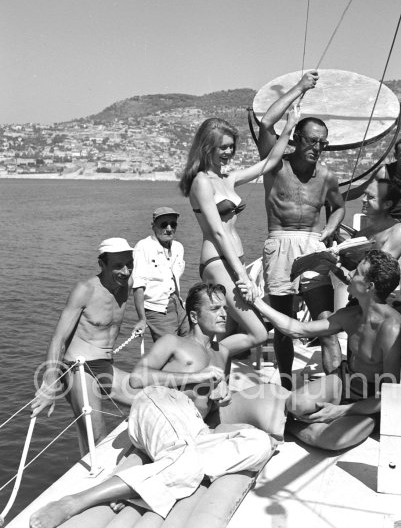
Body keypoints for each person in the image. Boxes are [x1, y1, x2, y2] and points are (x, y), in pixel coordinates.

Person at [29, 282, 274, 528]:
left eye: (225, 308)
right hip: (161, 403)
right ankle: (74, 502)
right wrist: (195, 377)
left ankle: (144, 484)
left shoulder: (222, 354)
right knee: (187, 467)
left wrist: (223, 394)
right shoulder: (173, 342)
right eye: (215, 308)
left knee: (260, 444)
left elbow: (258, 336)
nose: (224, 314)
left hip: (191, 427)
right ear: (194, 316)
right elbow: (138, 378)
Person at [240, 249, 401, 451]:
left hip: (370, 401)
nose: (350, 274)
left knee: (332, 440)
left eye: (358, 272)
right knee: (296, 404)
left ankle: (288, 426)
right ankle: (289, 423)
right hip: (345, 381)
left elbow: (390, 395)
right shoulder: (352, 315)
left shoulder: (391, 326)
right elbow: (299, 329)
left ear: (369, 286)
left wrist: (339, 411)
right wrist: (255, 301)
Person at [179, 108, 300, 357]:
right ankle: (199, 356)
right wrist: (242, 276)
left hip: (234, 261)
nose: (228, 153)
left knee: (226, 331)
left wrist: (289, 127)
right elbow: (218, 232)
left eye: (231, 147)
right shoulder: (201, 181)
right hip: (218, 260)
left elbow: (270, 162)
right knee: (258, 333)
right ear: (207, 147)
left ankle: (216, 379)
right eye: (222, 147)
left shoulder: (227, 178)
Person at [258, 70, 346, 388]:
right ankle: (284, 385)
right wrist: (300, 88)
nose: (317, 148)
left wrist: (328, 231)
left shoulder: (327, 177)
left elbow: (337, 208)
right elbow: (267, 123)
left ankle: (334, 382)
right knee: (284, 324)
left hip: (313, 244)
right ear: (296, 139)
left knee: (325, 320)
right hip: (280, 243)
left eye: (322, 143)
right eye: (311, 141)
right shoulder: (275, 166)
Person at [30, 238, 140, 455]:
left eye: (130, 264)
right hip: (79, 369)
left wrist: (143, 317)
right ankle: (94, 480)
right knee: (95, 434)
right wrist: (51, 383)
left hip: (105, 365)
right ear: (102, 264)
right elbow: (58, 339)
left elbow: (146, 285)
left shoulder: (126, 283)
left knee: (150, 401)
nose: (126, 271)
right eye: (118, 265)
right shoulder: (85, 290)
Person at [133, 207, 189, 342]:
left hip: (177, 304)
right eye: (163, 224)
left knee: (191, 342)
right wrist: (142, 319)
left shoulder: (178, 248)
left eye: (173, 224)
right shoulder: (143, 247)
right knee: (170, 351)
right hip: (157, 309)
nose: (169, 228)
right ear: (153, 226)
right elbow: (138, 285)